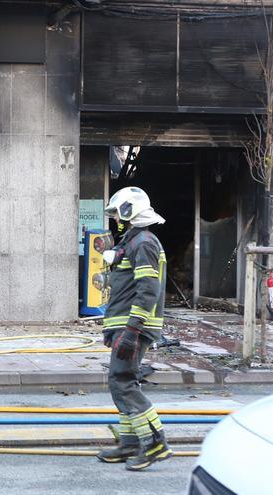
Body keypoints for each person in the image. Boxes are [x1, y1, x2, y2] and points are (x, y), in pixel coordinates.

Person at [96, 186, 172, 471]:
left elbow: (148, 289)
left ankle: (155, 443)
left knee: (123, 382)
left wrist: (131, 330)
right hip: (125, 325)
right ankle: (130, 443)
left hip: (134, 327)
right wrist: (112, 329)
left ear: (130, 212)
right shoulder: (133, 242)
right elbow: (125, 288)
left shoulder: (144, 242)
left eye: (118, 214)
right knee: (122, 381)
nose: (116, 220)